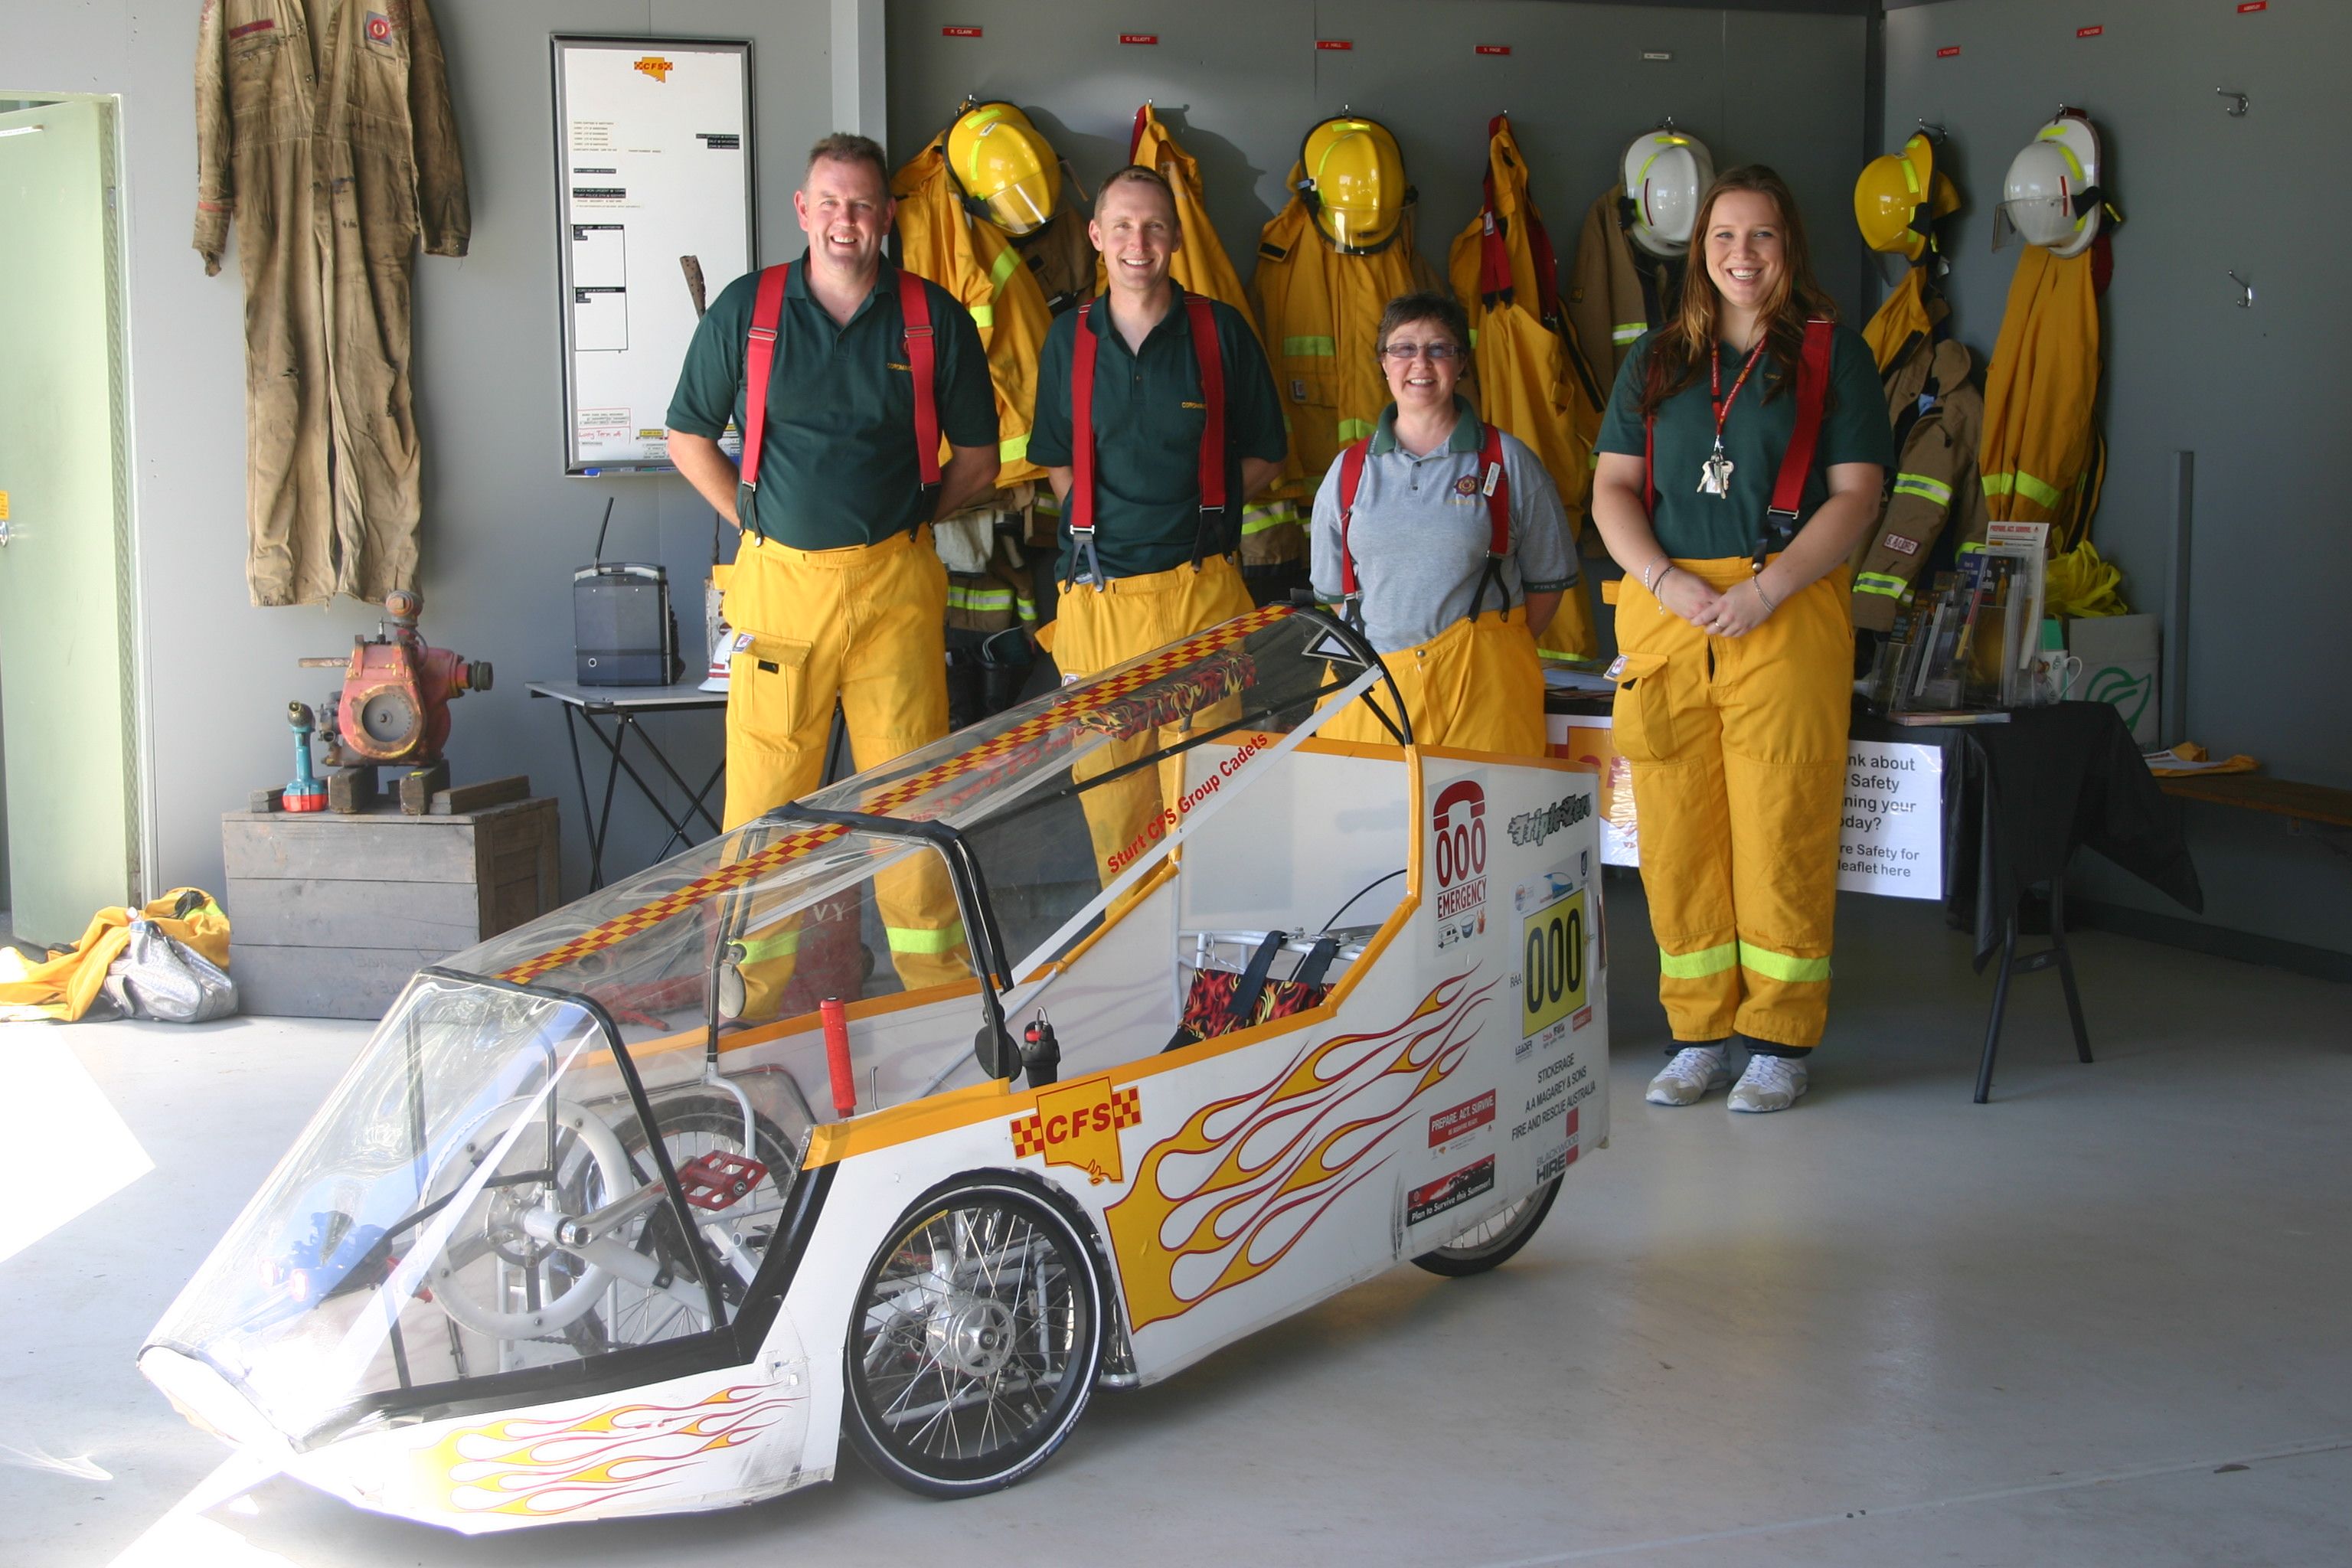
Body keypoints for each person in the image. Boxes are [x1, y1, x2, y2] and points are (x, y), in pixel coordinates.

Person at [665, 133, 999, 1003]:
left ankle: (937, 989)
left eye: (862, 205)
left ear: (887, 216)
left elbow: (980, 457)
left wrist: (911, 520)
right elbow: (687, 436)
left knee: (912, 800)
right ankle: (745, 992)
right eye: (830, 202)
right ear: (802, 210)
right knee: (766, 803)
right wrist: (752, 518)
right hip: (780, 594)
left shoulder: (933, 317)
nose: (845, 220)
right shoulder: (749, 310)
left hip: (895, 589)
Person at [1589, 166, 1894, 1113]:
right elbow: (1611, 491)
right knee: (1677, 834)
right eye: (1724, 237)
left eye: (1761, 237)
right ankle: (1699, 1033)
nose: (1741, 255)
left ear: (1788, 247)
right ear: (1699, 249)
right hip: (1669, 613)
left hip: (1787, 607)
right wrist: (1667, 579)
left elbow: (1858, 494)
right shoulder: (1656, 361)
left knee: (1782, 826)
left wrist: (1769, 589)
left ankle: (1778, 1040)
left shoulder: (1830, 356)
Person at [1027, 165, 1289, 886]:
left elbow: (1269, 453)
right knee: (1119, 826)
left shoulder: (1219, 331)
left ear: (1174, 238)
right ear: (1096, 236)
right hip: (1098, 606)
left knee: (1209, 811)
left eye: (1153, 227)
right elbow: (1055, 462)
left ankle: (1202, 992)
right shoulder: (1066, 340)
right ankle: (1135, 982)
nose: (1137, 242)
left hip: (1201, 597)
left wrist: (1193, 506)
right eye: (1122, 226)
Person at [1308, 292, 1575, 755]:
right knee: (1374, 824)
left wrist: (1484, 652)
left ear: (1461, 362)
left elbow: (1547, 585)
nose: (1421, 363)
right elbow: (1334, 596)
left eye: (1439, 348)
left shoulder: (1508, 461)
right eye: (1404, 348)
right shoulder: (1348, 472)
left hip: (1486, 695)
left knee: (1483, 818)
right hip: (1373, 691)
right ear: (1383, 363)